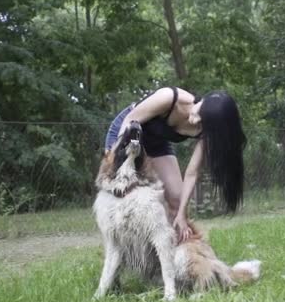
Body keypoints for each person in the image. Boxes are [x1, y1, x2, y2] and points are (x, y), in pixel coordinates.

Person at [104, 86, 247, 242]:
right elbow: (129, 122)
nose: (196, 121)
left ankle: (174, 254)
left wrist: (181, 214)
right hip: (126, 131)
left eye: (203, 123)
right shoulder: (170, 98)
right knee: (125, 194)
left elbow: (192, 173)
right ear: (202, 101)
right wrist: (121, 158)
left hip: (156, 142)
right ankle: (126, 252)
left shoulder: (207, 133)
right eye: (200, 114)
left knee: (177, 202)